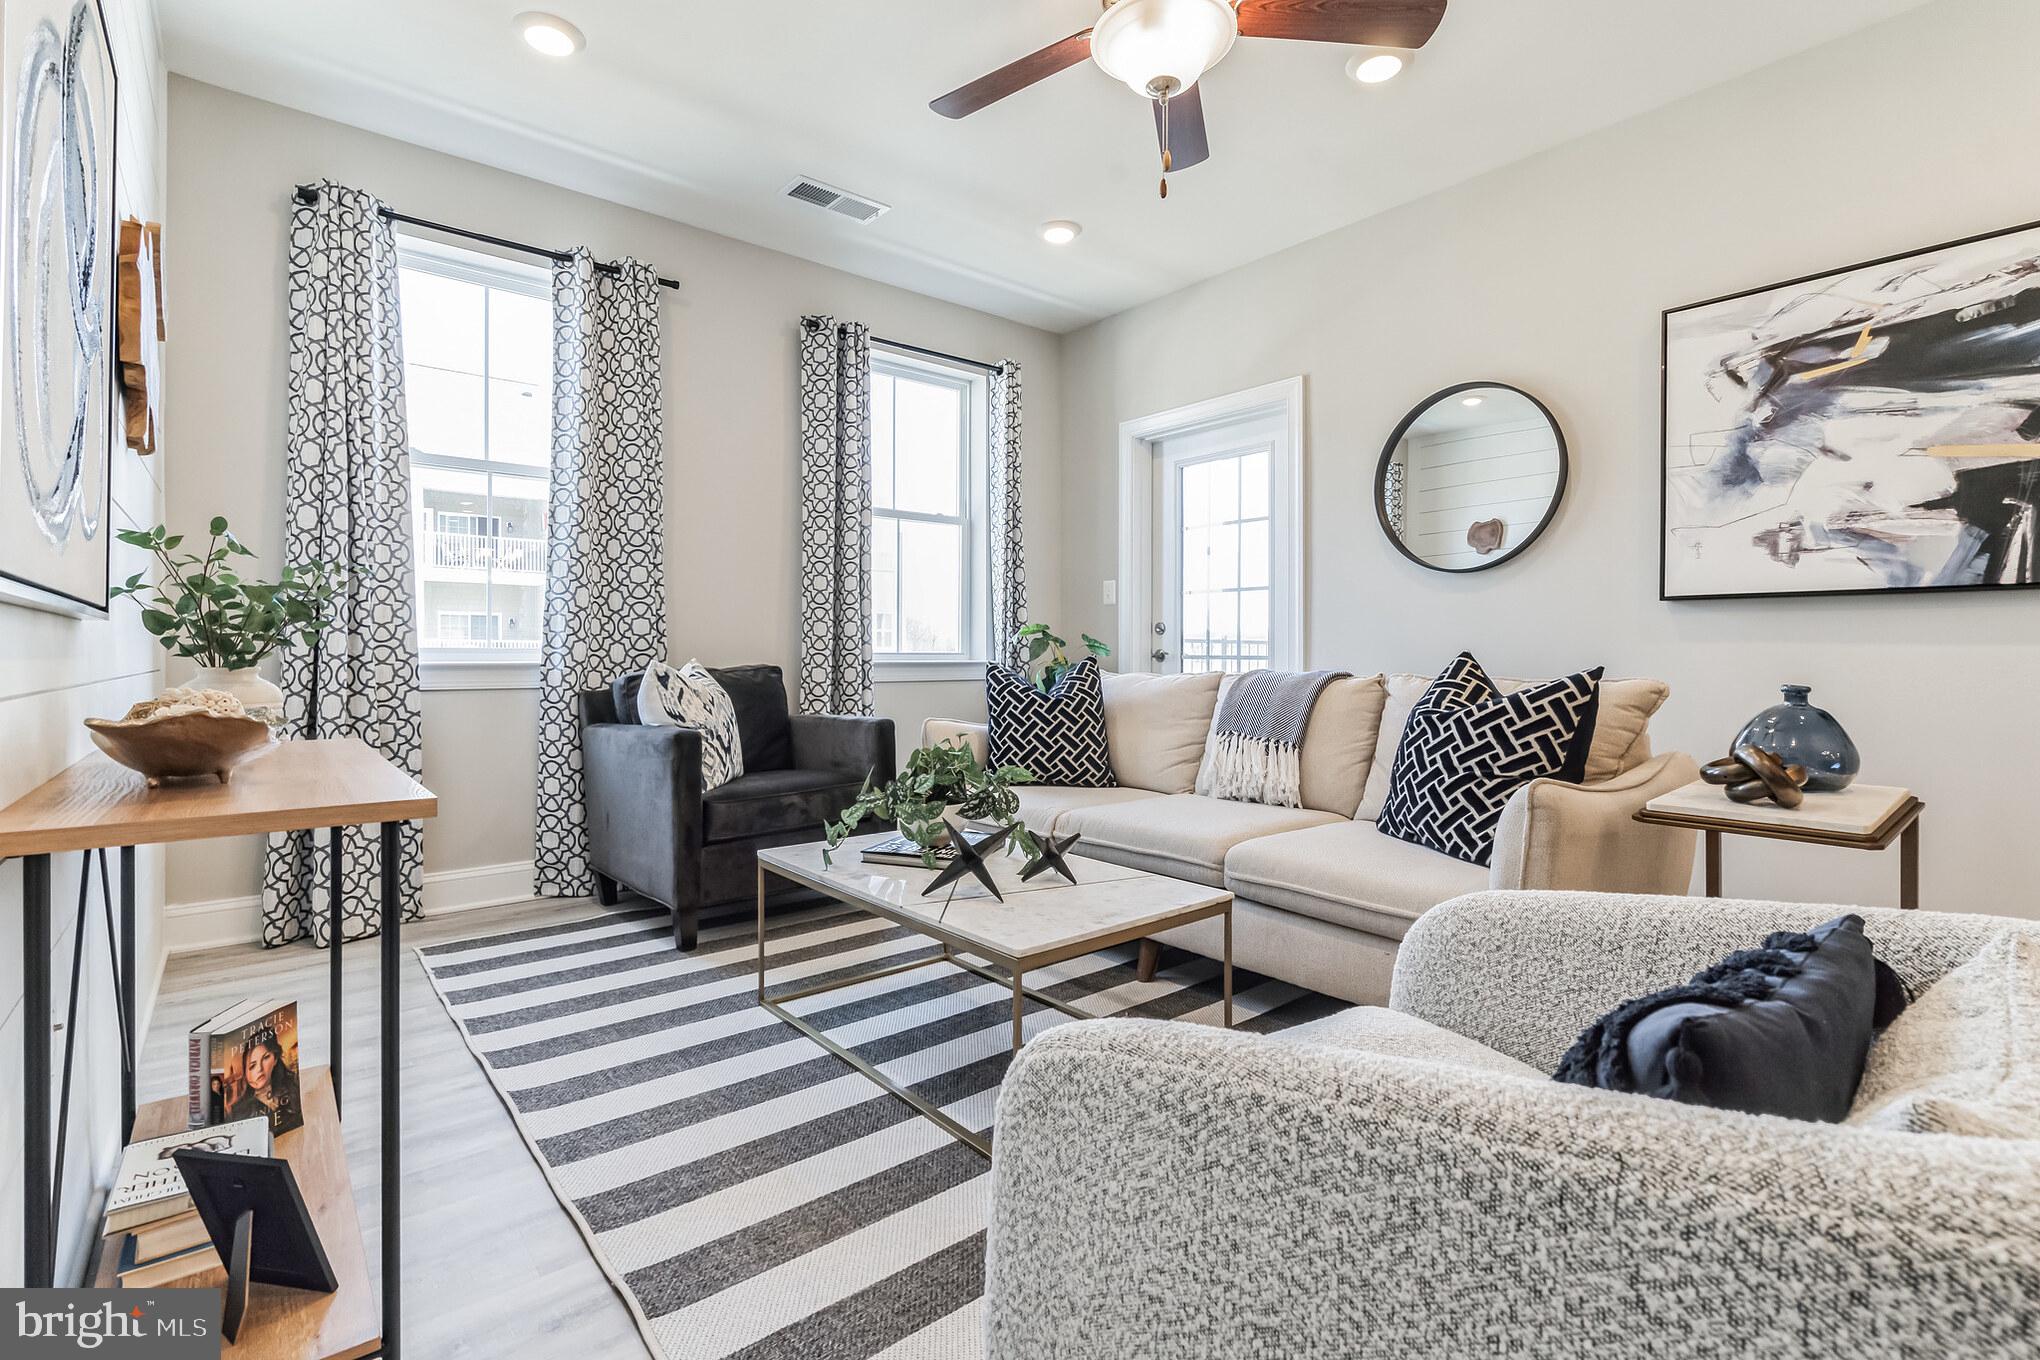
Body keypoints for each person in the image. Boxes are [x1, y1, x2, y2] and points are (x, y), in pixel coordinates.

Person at [227, 1028, 303, 1135]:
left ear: (275, 1059)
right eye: (252, 1066)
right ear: (245, 1073)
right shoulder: (239, 1111)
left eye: (266, 1057)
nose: (260, 1069)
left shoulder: (293, 1086)